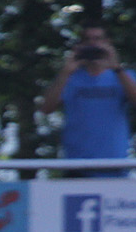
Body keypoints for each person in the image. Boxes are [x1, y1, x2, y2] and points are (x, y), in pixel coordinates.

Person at [41, 20, 136, 177]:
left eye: (98, 39)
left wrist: (116, 67)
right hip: (77, 164)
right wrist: (66, 71)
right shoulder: (70, 79)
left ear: (107, 42)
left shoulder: (124, 76)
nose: (93, 44)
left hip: (114, 163)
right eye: (88, 40)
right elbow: (46, 108)